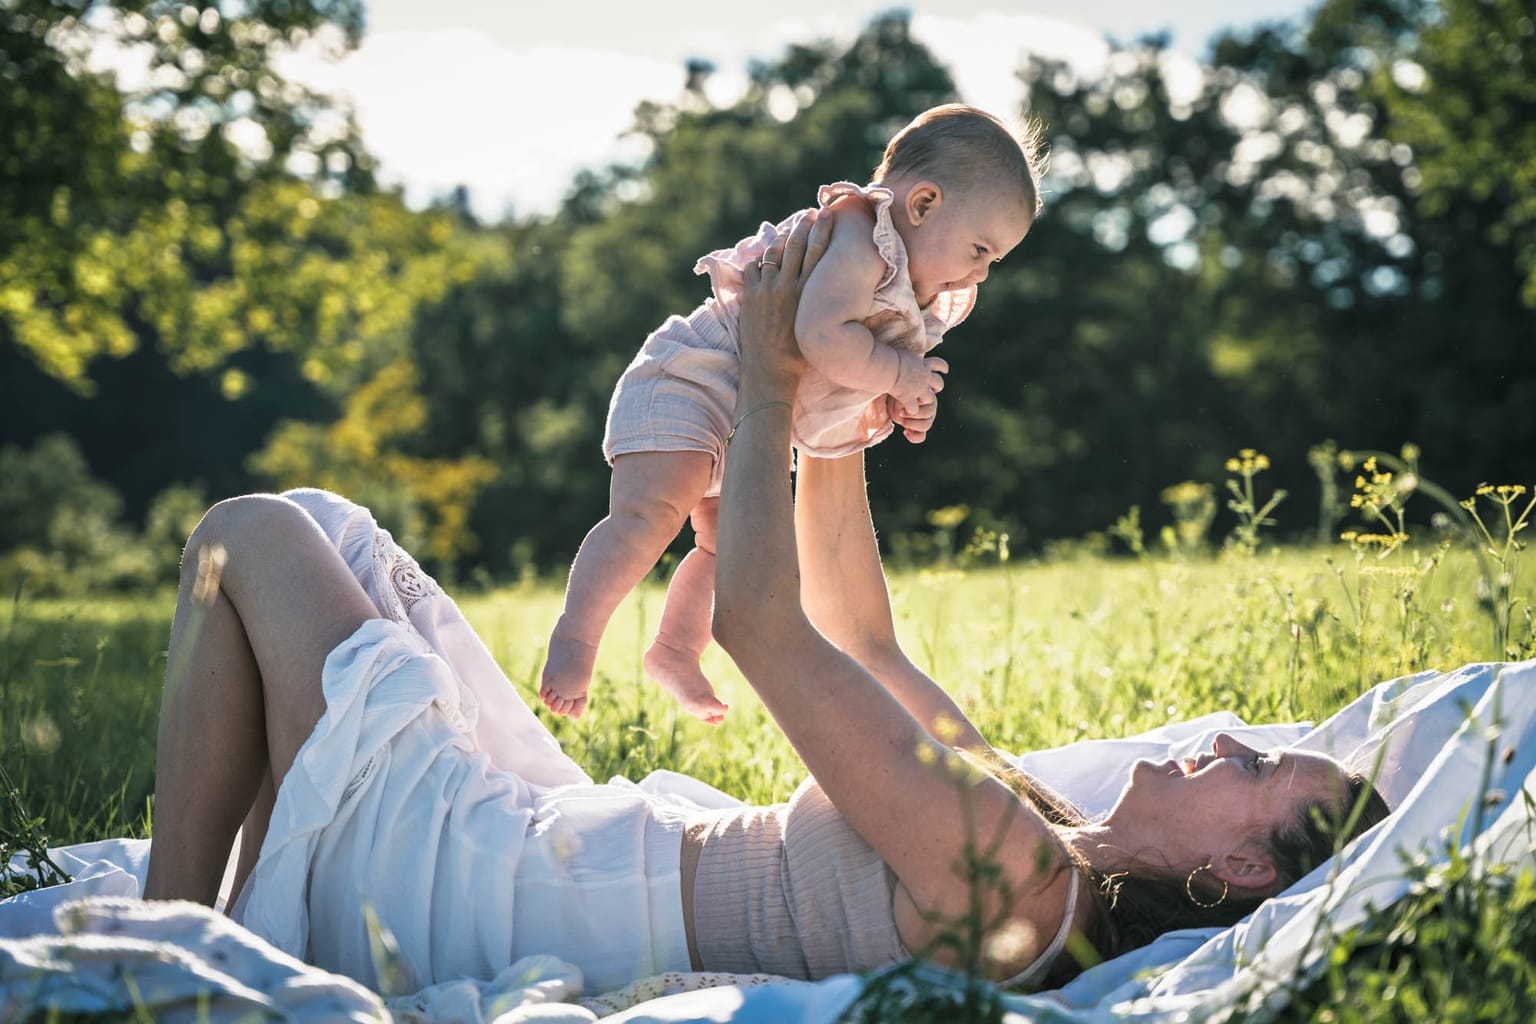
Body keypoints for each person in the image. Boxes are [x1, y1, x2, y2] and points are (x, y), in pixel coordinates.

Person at [143, 214, 1389, 998]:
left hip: (502, 894)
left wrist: (767, 374)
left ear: (1237, 868)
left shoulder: (1014, 883)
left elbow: (760, 621)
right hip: (570, 842)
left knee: (246, 536)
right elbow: (862, 638)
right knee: (327, 524)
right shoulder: (1036, 828)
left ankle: (171, 939)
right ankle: (232, 892)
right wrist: (841, 401)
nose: (1226, 739)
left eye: (1259, 767)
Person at [539, 103, 1042, 724]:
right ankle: (576, 636)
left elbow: (845, 372)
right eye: (979, 249)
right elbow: (820, 336)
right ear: (923, 204)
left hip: (751, 414)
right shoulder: (861, 238)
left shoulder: (910, 287)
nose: (980, 273)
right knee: (651, 514)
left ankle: (675, 650)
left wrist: (898, 400)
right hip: (694, 381)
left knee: (727, 548)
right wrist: (895, 371)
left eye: (993, 260)